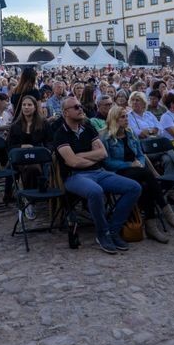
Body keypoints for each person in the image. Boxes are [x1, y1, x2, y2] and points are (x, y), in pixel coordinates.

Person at [53, 96, 141, 254]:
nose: (81, 109)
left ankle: (113, 229)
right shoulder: (60, 133)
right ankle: (102, 233)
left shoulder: (88, 128)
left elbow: (103, 153)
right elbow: (73, 162)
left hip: (99, 172)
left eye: (80, 106)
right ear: (66, 112)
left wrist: (81, 155)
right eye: (76, 107)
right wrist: (87, 158)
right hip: (75, 177)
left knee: (134, 187)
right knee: (95, 191)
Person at [101, 105, 174, 242]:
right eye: (122, 117)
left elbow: (140, 154)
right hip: (116, 172)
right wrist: (129, 164)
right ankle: (165, 210)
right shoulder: (105, 137)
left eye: (127, 116)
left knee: (145, 185)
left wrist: (139, 162)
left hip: (137, 171)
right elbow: (107, 162)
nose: (126, 119)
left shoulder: (130, 133)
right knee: (146, 174)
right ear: (114, 118)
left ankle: (151, 226)